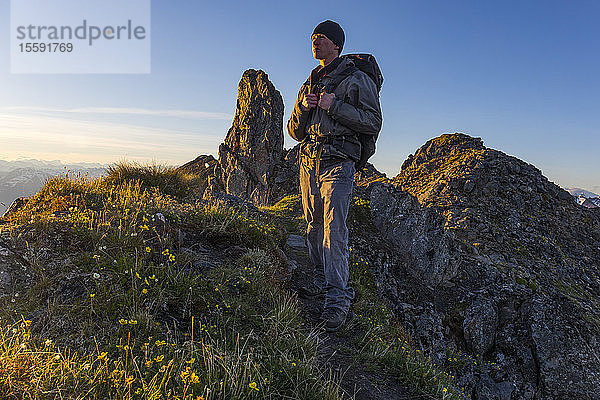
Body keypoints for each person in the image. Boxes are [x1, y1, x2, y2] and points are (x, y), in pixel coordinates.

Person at [287, 20, 382, 332]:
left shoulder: (356, 78)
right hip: (309, 160)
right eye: (313, 37)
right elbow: (294, 131)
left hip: (339, 161)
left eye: (322, 38)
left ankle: (338, 298)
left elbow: (372, 122)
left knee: (334, 230)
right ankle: (319, 278)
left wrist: (334, 105)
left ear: (337, 45)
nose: (315, 42)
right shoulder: (311, 81)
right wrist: (303, 107)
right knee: (313, 225)